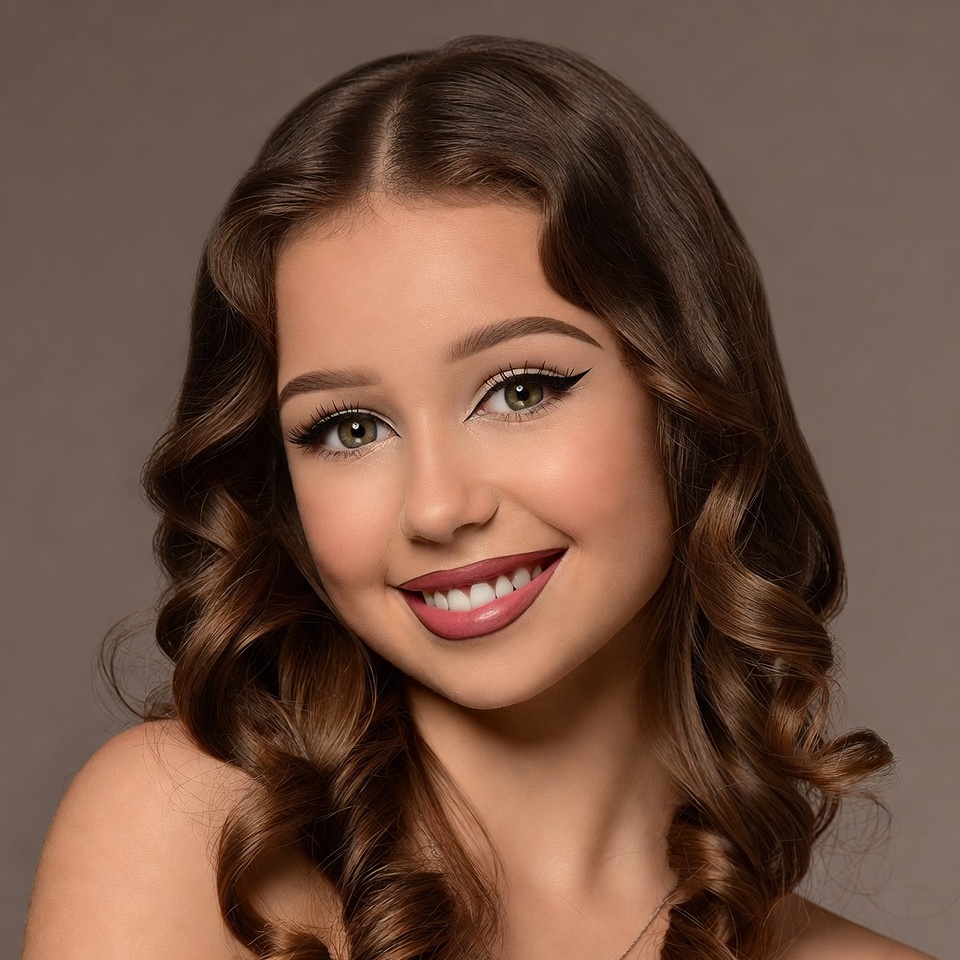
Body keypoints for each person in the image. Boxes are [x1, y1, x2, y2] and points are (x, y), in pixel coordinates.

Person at [22, 35, 934, 960]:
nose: (436, 507)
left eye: (521, 390)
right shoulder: (189, 841)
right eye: (348, 428)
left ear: (685, 396)